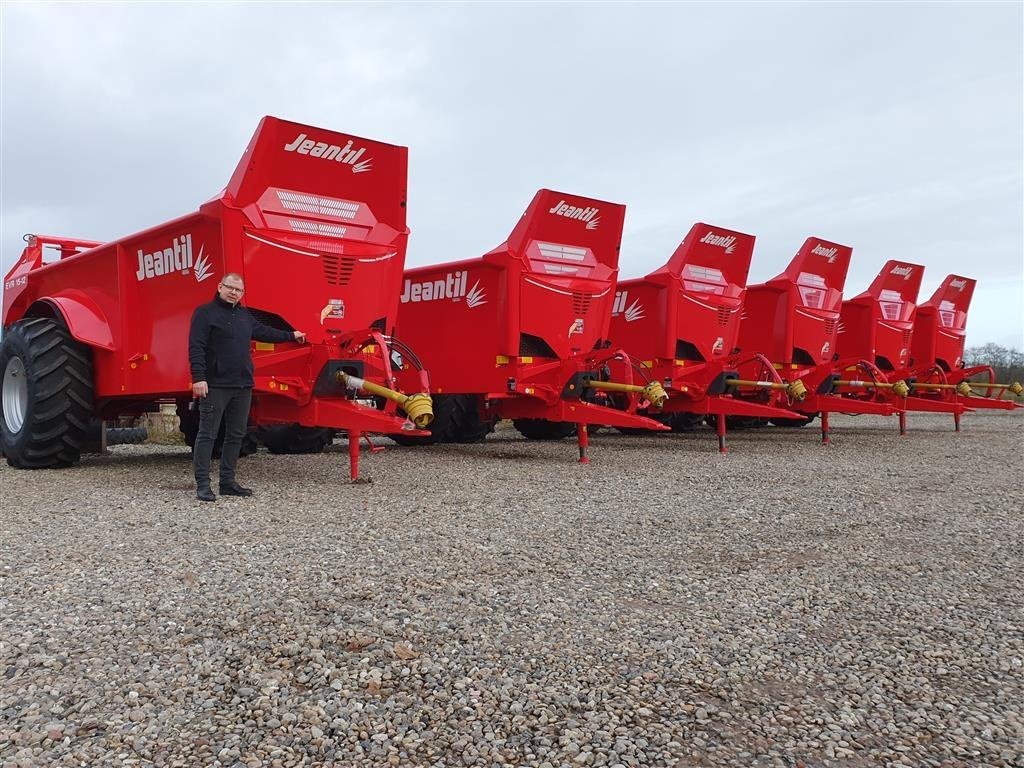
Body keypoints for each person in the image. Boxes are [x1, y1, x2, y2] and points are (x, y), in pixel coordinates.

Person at [188, 272, 305, 502]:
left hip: (243, 385)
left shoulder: (244, 315)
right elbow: (196, 347)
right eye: (230, 287)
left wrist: (291, 335)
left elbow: (264, 332)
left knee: (236, 434)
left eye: (238, 290)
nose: (234, 292)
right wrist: (199, 378)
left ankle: (227, 482)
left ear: (242, 293)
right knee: (207, 435)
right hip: (215, 385)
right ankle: (203, 484)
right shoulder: (204, 313)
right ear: (220, 286)